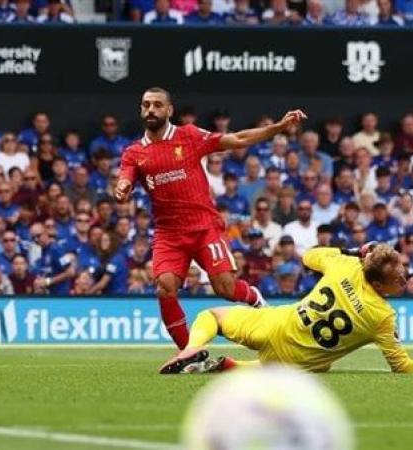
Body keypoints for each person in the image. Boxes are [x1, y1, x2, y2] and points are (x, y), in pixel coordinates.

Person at [115, 87, 306, 349]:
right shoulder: (134, 152)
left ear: (169, 110)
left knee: (225, 288)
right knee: (165, 288)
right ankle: (189, 352)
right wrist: (123, 187)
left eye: (157, 105)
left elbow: (237, 139)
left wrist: (279, 126)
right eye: (146, 105)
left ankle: (255, 299)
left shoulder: (189, 136)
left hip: (204, 227)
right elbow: (125, 176)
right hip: (169, 233)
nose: (151, 110)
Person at [159, 244, 413, 375]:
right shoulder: (383, 317)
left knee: (210, 316)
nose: (405, 279)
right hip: (299, 363)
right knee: (322, 363)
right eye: (401, 276)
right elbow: (402, 367)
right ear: (382, 285)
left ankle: (193, 348)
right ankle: (232, 368)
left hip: (277, 325)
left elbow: (309, 256)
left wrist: (352, 253)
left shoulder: (346, 265)